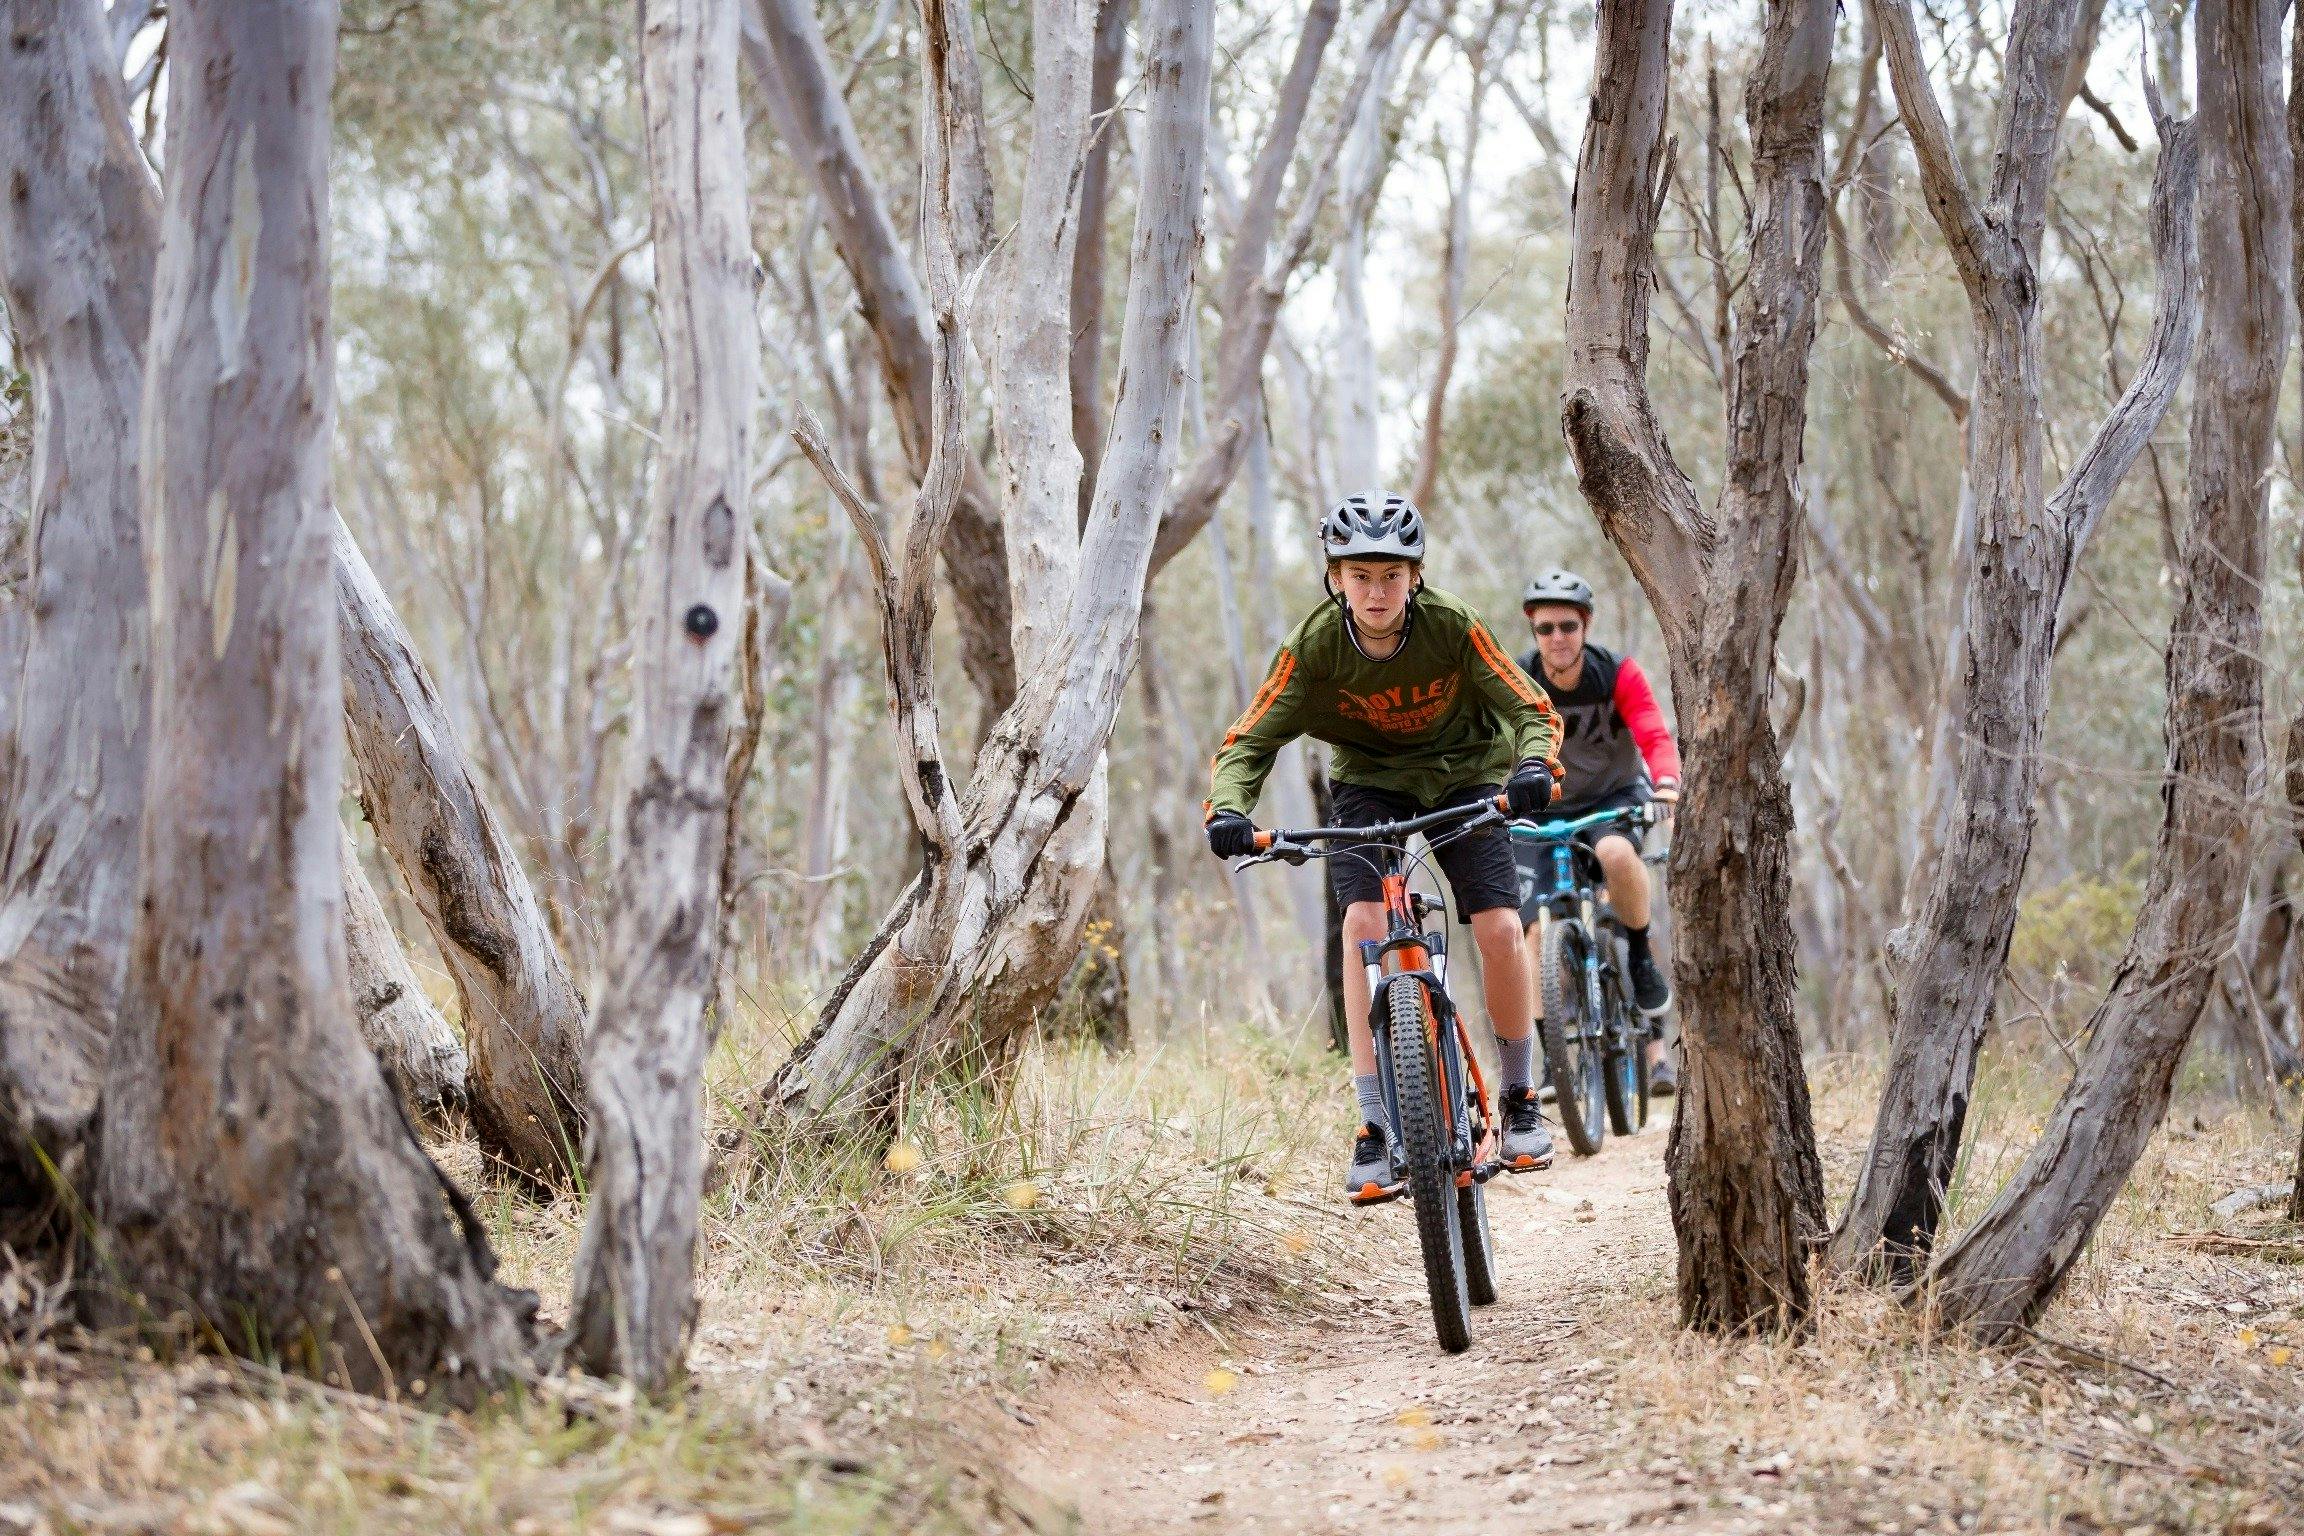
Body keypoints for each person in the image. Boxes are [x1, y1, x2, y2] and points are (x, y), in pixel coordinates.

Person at [1203, 492, 1565, 1202]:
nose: (1376, 591)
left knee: (1497, 925)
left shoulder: (1451, 627)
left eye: (1391, 576)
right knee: (1364, 924)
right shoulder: (1313, 649)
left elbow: (1531, 707)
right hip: (1370, 785)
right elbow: (1249, 740)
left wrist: (1532, 767)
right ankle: (1374, 1128)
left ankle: (1521, 1097)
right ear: (1335, 577)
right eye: (1360, 575)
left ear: (1416, 578)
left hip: (1469, 775)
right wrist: (1229, 809)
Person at [1514, 568, 1682, 1094]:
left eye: (1568, 626)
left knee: (1615, 852)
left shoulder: (1617, 674)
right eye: (1546, 629)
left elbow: (1653, 733)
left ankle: (1635, 950)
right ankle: (1552, 1060)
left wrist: (1668, 782)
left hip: (1612, 798)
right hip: (1542, 810)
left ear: (1585, 626)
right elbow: (1490, 745)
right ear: (1533, 631)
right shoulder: (1517, 682)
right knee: (1535, 933)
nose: (1557, 638)